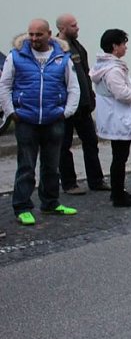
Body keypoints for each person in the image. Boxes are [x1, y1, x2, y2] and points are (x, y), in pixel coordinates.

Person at [0, 19, 80, 225]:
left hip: (54, 119)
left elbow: (73, 87)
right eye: (31, 34)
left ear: (49, 34)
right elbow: (5, 85)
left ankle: (51, 202)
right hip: (26, 119)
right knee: (26, 165)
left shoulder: (62, 57)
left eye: (38, 34)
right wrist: (11, 112)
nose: (34, 38)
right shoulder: (16, 56)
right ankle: (22, 206)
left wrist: (67, 111)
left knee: (52, 165)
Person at [55, 14, 110, 195]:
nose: (77, 27)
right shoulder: (57, 48)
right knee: (64, 146)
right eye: (73, 25)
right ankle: (69, 183)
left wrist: (90, 95)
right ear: (62, 28)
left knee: (91, 142)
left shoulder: (78, 46)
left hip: (84, 105)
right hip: (65, 106)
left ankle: (96, 179)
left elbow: (84, 73)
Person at [89, 29, 131, 207]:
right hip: (119, 118)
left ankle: (118, 191)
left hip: (115, 117)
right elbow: (122, 94)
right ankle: (118, 195)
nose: (125, 47)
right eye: (123, 44)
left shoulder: (105, 67)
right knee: (120, 158)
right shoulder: (113, 70)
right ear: (114, 46)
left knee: (119, 157)